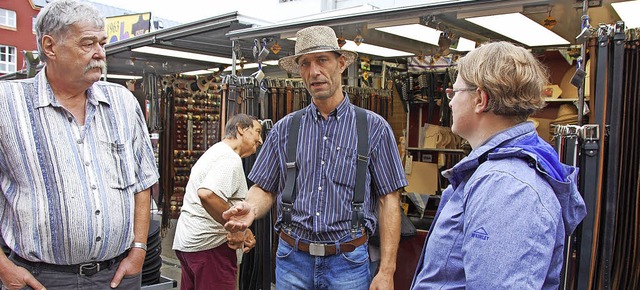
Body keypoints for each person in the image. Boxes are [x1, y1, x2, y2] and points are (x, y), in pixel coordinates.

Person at [223, 26, 408, 290]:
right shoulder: (285, 129)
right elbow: (264, 187)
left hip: (349, 263)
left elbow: (389, 199)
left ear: (341, 63)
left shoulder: (373, 128)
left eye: (322, 60)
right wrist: (250, 209)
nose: (314, 71)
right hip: (292, 260)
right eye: (305, 63)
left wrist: (387, 270)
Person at [0, 0, 159, 289]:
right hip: (39, 279)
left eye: (102, 42)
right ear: (50, 47)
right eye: (88, 44)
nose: (100, 53)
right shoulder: (7, 105)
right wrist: (3, 267)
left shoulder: (122, 102)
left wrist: (139, 249)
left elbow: (143, 183)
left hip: (117, 276)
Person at [411, 41, 587, 289]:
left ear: (480, 99)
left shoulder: (507, 186)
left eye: (455, 92)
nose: (449, 102)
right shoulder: (499, 175)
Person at [172, 114, 262, 290]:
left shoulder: (216, 151)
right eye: (257, 132)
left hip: (192, 245)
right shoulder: (229, 158)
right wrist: (235, 228)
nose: (260, 140)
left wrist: (245, 231)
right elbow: (208, 194)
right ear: (241, 129)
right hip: (210, 248)